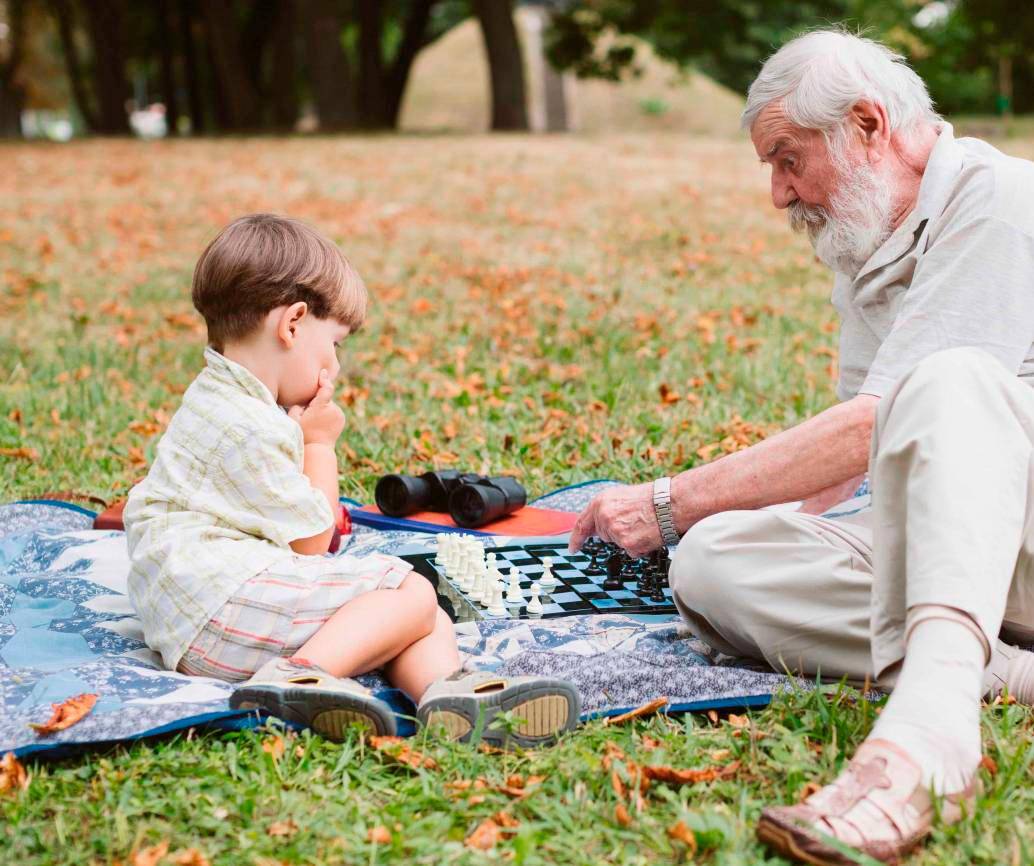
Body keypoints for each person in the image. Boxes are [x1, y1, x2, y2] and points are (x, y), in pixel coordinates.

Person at [569, 29, 1034, 863]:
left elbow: (873, 423)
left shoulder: (999, 200)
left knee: (949, 380)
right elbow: (854, 455)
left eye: (789, 161)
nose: (780, 194)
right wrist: (724, 530)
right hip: (975, 556)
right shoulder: (869, 243)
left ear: (867, 125)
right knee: (712, 563)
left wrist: (669, 502)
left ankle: (929, 736)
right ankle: (1000, 672)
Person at [124, 213, 579, 748]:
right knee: (408, 589)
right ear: (293, 324)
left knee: (411, 616)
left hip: (192, 619)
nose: (335, 367)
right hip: (221, 615)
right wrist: (319, 444)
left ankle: (449, 693)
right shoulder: (250, 425)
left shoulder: (216, 396)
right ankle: (298, 675)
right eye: (335, 344)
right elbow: (313, 541)